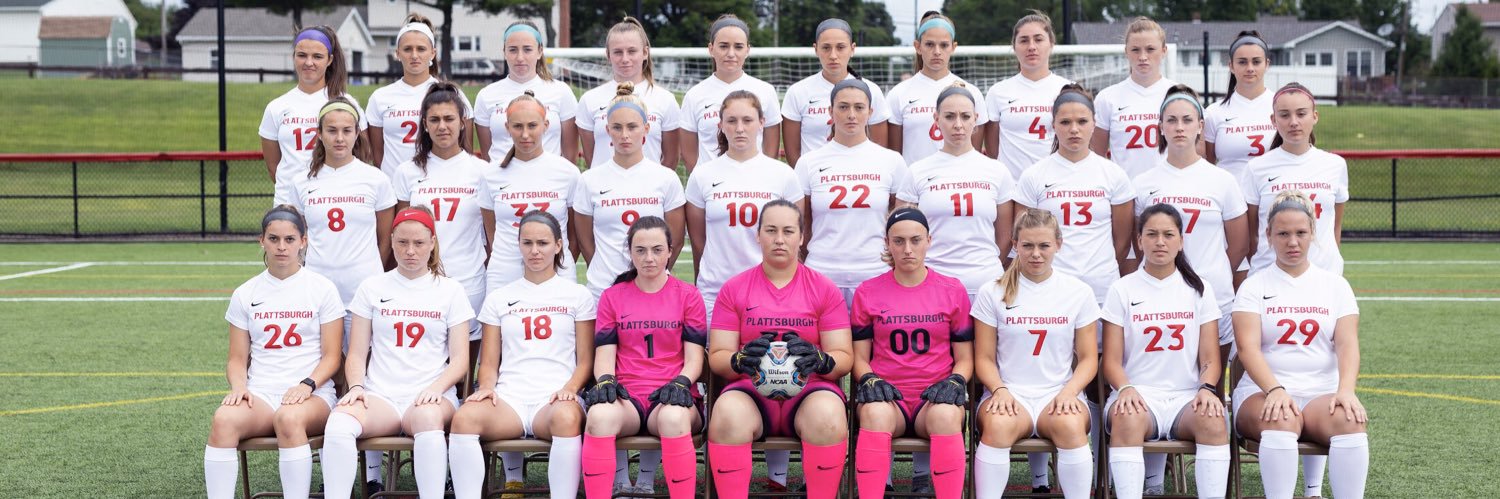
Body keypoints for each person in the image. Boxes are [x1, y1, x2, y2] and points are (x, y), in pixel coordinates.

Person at [1129, 85, 1249, 494]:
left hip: (1210, 298)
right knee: (1155, 377)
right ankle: (1153, 480)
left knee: (1208, 388)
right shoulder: (1143, 182)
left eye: (1187, 120)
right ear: (1159, 127)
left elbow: (1239, 245)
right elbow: (1136, 243)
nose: (1179, 127)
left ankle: (1209, 480)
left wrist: (1207, 281)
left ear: (1201, 126)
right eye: (1171, 120)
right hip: (1157, 299)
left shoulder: (1222, 181)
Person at [321, 207, 474, 499]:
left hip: (431, 394)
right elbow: (355, 354)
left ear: (432, 243)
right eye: (402, 242)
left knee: (429, 419)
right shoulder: (372, 287)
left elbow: (460, 361)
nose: (410, 251)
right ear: (391, 241)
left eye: (418, 243)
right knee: (339, 421)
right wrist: (356, 387)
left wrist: (435, 389)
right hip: (381, 396)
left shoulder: (450, 290)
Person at [706, 199, 854, 499]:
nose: (779, 239)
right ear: (758, 236)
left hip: (809, 391)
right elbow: (718, 357)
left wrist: (822, 361)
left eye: (788, 231)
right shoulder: (734, 288)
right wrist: (738, 360)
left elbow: (844, 357)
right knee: (726, 416)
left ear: (802, 237)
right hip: (751, 391)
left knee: (828, 418)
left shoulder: (823, 288)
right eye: (771, 230)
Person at [449, 211, 596, 499]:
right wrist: (488, 388)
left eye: (542, 243)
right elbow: (489, 363)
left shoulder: (577, 295)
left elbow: (586, 361)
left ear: (558, 246)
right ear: (518, 246)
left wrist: (570, 389)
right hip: (510, 399)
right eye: (527, 243)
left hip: (555, 398)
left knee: (567, 418)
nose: (534, 250)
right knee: (464, 418)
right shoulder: (499, 298)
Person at [1232, 190, 1368, 499]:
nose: (1292, 242)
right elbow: (1247, 349)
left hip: (1321, 392)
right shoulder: (1254, 286)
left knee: (1350, 420)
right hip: (1262, 393)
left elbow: (1348, 344)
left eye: (1300, 233)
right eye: (1283, 233)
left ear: (1312, 234)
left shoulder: (1335, 285)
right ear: (1268, 235)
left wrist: (1345, 391)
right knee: (1280, 417)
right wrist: (1276, 390)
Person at [204, 206, 345, 499]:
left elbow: (332, 357)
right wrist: (240, 387)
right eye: (274, 238)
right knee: (223, 419)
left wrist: (307, 385)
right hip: (263, 395)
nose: (282, 247)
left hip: (313, 395)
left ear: (303, 242)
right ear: (262, 241)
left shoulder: (322, 289)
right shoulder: (246, 293)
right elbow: (236, 359)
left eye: (290, 239)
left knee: (289, 418)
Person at [1101, 204, 1230, 499]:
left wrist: (1207, 389)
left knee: (1213, 419)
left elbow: (1210, 358)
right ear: (1139, 240)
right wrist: (1126, 388)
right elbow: (1111, 361)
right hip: (1138, 394)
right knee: (1127, 417)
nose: (1160, 242)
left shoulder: (1199, 289)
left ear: (1181, 241)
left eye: (1168, 235)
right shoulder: (1122, 289)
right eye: (1152, 234)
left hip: (1185, 397)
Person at [972, 208, 1099, 499]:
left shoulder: (1078, 291)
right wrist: (999, 390)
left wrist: (1070, 392)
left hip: (1057, 391)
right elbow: (984, 358)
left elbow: (1089, 358)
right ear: (1014, 244)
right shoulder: (992, 291)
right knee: (998, 426)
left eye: (1044, 245)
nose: (1036, 254)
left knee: (1070, 425)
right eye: (1027, 245)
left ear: (1058, 244)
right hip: (1008, 391)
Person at [849, 208, 973, 499]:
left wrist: (956, 380)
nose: (907, 249)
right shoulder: (867, 291)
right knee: (875, 413)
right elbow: (859, 355)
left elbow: (966, 357)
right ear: (887, 243)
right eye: (899, 241)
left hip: (934, 397)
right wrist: (867, 377)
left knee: (945, 416)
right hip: (889, 396)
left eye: (916, 240)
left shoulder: (952, 290)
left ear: (929, 240)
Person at [580, 216, 707, 499]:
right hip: (629, 397)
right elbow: (605, 355)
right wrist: (605, 381)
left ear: (670, 251)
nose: (649, 258)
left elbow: (695, 358)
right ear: (630, 252)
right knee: (599, 415)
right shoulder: (613, 296)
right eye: (640, 250)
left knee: (674, 418)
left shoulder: (689, 296)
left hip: (673, 395)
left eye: (657, 249)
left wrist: (682, 382)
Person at [1013, 84, 1136, 307]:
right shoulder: (1034, 175)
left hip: (1101, 285)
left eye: (1082, 121)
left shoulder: (1114, 174)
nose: (1074, 129)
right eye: (1065, 122)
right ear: (1053, 126)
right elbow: (1025, 237)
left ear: (1094, 124)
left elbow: (1122, 241)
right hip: (1050, 285)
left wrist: (1100, 267)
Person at [687, 90, 805, 317]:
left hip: (770, 289)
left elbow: (796, 238)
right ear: (720, 125)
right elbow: (698, 239)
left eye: (747, 120)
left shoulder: (783, 174)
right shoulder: (702, 175)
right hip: (716, 289)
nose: (739, 128)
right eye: (732, 121)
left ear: (761, 123)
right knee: (717, 353)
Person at [392, 83, 491, 344]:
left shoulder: (481, 171)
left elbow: (492, 235)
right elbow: (402, 233)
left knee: (466, 368)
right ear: (424, 124)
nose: (442, 126)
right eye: (434, 120)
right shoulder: (407, 171)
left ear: (462, 123)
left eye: (449, 118)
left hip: (469, 279)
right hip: (422, 280)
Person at [898, 83, 1016, 299]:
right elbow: (902, 232)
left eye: (965, 116)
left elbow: (1005, 235)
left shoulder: (997, 171)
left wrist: (981, 269)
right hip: (932, 285)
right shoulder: (917, 172)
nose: (958, 124)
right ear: (936, 119)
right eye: (950, 116)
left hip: (985, 284)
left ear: (976, 119)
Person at [797, 79, 911, 304]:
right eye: (843, 107)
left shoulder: (891, 161)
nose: (851, 114)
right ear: (830, 111)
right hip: (822, 273)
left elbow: (900, 221)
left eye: (859, 108)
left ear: (870, 112)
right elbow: (802, 223)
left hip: (875, 272)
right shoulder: (809, 162)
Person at [574, 83, 688, 298]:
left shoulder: (666, 178)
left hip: (651, 290)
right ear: (607, 130)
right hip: (603, 290)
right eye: (617, 127)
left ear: (646, 128)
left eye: (632, 127)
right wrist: (604, 275)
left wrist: (653, 276)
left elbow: (676, 239)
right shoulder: (589, 180)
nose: (624, 135)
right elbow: (585, 241)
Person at [293, 99, 395, 314]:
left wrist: (374, 278)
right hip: (318, 290)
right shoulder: (302, 181)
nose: (339, 138)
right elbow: (299, 237)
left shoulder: (376, 179)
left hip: (364, 289)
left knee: (362, 349)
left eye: (347, 131)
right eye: (332, 130)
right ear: (319, 133)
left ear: (357, 133)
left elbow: (386, 239)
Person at [479, 91, 581, 293]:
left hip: (556, 271)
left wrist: (555, 258)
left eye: (532, 126)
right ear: (507, 128)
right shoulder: (490, 174)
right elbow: (491, 233)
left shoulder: (567, 172)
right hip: (504, 273)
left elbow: (574, 234)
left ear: (546, 125)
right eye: (517, 126)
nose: (525, 134)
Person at [1243, 83, 1347, 278]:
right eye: (1284, 115)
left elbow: (1335, 226)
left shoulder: (1335, 165)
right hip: (1270, 275)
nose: (1293, 122)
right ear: (1273, 120)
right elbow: (1252, 234)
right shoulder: (1256, 168)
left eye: (1301, 114)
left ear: (1315, 116)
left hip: (1323, 275)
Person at [365, 13, 474, 178]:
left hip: (438, 184)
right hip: (395, 187)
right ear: (397, 53)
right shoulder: (380, 97)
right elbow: (377, 154)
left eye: (421, 49)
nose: (414, 55)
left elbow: (465, 148)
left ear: (432, 53)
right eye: (407, 49)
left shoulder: (451, 94)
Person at [261, 26, 361, 205]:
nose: (308, 62)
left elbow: (360, 155)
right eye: (302, 55)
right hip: (289, 202)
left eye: (317, 56)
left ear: (329, 60)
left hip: (334, 199)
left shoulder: (347, 103)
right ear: (293, 57)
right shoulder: (276, 107)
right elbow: (273, 167)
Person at [576, 17, 682, 170]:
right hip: (606, 190)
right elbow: (591, 157)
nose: (625, 59)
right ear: (608, 55)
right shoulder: (589, 99)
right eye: (618, 52)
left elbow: (671, 158)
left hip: (648, 190)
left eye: (632, 51)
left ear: (645, 52)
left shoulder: (665, 99)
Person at [781, 18, 890, 166]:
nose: (833, 55)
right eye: (826, 48)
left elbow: (879, 147)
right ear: (816, 49)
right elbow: (792, 153)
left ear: (852, 49)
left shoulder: (871, 90)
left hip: (860, 176)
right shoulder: (798, 92)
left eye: (840, 47)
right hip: (815, 180)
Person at [680, 14, 782, 171]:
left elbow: (771, 147)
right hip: (712, 187)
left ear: (748, 50)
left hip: (754, 183)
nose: (731, 53)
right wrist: (706, 181)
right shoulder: (694, 95)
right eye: (723, 46)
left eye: (738, 47)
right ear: (711, 49)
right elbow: (689, 152)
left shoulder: (765, 91)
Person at [885, 11, 988, 165]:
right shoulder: (899, 94)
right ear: (918, 47)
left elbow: (974, 154)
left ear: (953, 47)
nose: (937, 52)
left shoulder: (971, 92)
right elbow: (895, 158)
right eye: (929, 44)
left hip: (958, 184)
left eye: (944, 45)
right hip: (915, 187)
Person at [984, 11, 1072, 182]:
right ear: (1014, 46)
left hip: (1059, 185)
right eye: (1024, 40)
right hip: (1013, 188)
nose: (1031, 46)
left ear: (1051, 44)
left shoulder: (1068, 89)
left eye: (1038, 39)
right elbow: (993, 150)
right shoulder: (998, 92)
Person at [475, 21, 578, 162]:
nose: (520, 57)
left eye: (527, 49)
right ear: (504, 52)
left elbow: (570, 157)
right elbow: (487, 156)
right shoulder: (486, 95)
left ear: (540, 51)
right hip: (503, 182)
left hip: (548, 181)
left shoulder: (561, 92)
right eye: (512, 50)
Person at [1090, 17, 1177, 179]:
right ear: (1126, 52)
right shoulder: (1107, 98)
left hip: (1168, 192)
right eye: (1136, 50)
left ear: (1164, 51)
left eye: (1150, 49)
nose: (1143, 56)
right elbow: (1097, 155)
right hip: (1124, 194)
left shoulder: (1178, 95)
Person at [1204, 31, 1276, 181]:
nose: (1250, 68)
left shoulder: (1281, 106)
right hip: (1229, 200)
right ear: (1231, 66)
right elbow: (1207, 166)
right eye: (1242, 62)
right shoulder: (1214, 112)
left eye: (1256, 62)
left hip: (1272, 199)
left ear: (1267, 64)